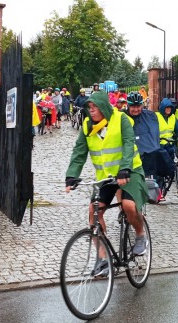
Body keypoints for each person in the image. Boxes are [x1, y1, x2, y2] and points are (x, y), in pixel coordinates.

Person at [65, 91, 149, 276]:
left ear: (103, 107)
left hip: (130, 171)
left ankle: (141, 235)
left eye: (95, 107)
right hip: (106, 176)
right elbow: (79, 151)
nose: (92, 111)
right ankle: (102, 259)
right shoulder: (87, 126)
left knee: (128, 205)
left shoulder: (121, 120)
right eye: (89, 108)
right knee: (93, 212)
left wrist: (125, 168)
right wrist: (71, 175)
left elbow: (128, 144)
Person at [125, 92, 173, 180]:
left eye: (138, 106)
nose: (136, 109)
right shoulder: (123, 117)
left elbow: (153, 134)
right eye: (133, 107)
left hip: (149, 156)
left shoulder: (150, 116)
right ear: (128, 106)